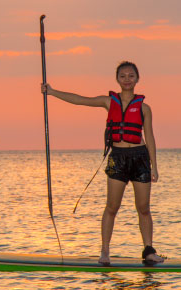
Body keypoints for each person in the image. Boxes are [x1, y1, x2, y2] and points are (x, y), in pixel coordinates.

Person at [41, 61, 164, 266]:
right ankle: (105, 251)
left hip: (140, 158)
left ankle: (149, 251)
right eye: (123, 76)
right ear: (117, 79)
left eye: (131, 76)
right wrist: (52, 92)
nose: (127, 79)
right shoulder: (108, 102)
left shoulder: (144, 108)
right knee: (111, 207)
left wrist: (154, 166)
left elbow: (150, 137)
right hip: (118, 158)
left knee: (143, 208)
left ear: (137, 79)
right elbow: (80, 100)